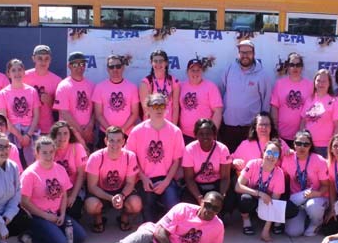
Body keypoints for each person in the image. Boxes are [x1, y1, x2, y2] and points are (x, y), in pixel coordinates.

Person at [42, 193, 225, 243]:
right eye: (207, 205)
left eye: (215, 208)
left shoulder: (218, 227)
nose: (209, 210)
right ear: (201, 202)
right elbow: (161, 232)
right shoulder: (183, 209)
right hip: (152, 237)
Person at [20, 136, 87, 243]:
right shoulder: (30, 174)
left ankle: (52, 232)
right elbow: (24, 202)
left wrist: (62, 214)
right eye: (44, 153)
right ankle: (28, 238)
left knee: (80, 237)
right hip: (38, 216)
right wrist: (46, 216)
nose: (48, 156)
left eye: (51, 152)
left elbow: (64, 194)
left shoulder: (60, 169)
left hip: (56, 215)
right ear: (37, 153)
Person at [126, 93, 185, 222]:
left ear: (166, 108)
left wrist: (167, 181)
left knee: (174, 208)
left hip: (167, 179)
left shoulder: (175, 131)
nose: (159, 109)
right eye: (155, 105)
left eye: (162, 105)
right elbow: (131, 158)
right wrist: (142, 177)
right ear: (148, 108)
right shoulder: (137, 131)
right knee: (149, 216)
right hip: (144, 179)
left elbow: (176, 160)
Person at [84, 126, 143, 233]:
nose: (115, 144)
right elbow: (91, 187)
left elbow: (130, 183)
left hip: (122, 191)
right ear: (105, 140)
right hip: (101, 191)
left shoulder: (130, 156)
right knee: (91, 205)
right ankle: (98, 219)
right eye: (111, 140)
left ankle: (123, 218)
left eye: (118, 140)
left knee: (136, 204)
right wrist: (111, 198)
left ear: (124, 141)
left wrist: (121, 195)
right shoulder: (95, 157)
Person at [219, 40, 273, 154]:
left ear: (254, 53)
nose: (245, 55)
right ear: (238, 54)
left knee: (248, 160)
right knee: (228, 160)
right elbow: (221, 91)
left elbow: (266, 100)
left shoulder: (262, 74)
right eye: (242, 52)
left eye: (248, 52)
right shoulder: (229, 69)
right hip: (229, 125)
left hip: (250, 127)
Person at [235, 139, 288, 242]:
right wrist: (260, 193)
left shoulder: (279, 173)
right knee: (244, 198)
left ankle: (272, 223)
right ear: (263, 152)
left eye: (275, 154)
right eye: (269, 152)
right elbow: (238, 186)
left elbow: (274, 203)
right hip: (253, 198)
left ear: (278, 158)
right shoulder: (253, 164)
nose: (271, 156)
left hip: (267, 203)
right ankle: (246, 220)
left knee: (289, 208)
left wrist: (266, 230)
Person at [281, 130, 330, 237]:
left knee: (312, 206)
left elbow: (326, 186)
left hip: (317, 197)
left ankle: (316, 223)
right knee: (293, 232)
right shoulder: (288, 158)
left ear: (310, 146)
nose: (302, 147)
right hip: (298, 200)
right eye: (298, 143)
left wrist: (315, 194)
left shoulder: (319, 160)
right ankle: (305, 217)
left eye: (306, 144)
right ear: (294, 144)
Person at [0, 59, 40, 167]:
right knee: (12, 165)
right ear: (8, 74)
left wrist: (28, 136)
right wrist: (20, 136)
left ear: (24, 72)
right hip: (11, 133)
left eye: (19, 70)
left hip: (30, 133)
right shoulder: (3, 93)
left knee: (31, 165)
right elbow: (3, 118)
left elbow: (36, 115)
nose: (17, 73)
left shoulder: (32, 91)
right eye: (13, 70)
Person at [182, 118, 232, 208]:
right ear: (196, 135)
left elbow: (225, 177)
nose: (205, 137)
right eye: (201, 134)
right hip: (197, 186)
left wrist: (220, 197)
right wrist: (199, 198)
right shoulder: (189, 150)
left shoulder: (223, 149)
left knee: (228, 201)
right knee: (187, 201)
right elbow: (189, 179)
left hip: (217, 185)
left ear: (214, 135)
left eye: (208, 134)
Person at [92, 54, 140, 142]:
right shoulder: (99, 87)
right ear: (107, 69)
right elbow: (98, 114)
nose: (115, 69)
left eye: (118, 66)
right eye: (111, 67)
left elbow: (135, 113)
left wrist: (122, 131)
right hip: (105, 132)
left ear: (123, 68)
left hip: (127, 133)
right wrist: (110, 131)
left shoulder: (132, 87)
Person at [270, 53, 314, 145]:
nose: (295, 67)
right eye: (292, 65)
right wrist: (275, 128)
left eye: (298, 65)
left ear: (302, 67)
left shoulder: (310, 86)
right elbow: (274, 107)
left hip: (302, 137)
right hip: (281, 134)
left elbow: (312, 111)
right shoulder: (279, 84)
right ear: (287, 67)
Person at [54, 51, 95, 149]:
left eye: (82, 64)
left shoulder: (91, 85)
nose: (79, 67)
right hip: (69, 134)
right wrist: (81, 131)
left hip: (88, 134)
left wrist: (89, 127)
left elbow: (95, 111)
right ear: (69, 66)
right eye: (75, 64)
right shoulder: (63, 86)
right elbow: (64, 113)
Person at [300, 68, 338, 157]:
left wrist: (333, 145)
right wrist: (301, 141)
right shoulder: (309, 99)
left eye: (324, 81)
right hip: (308, 145)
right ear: (314, 82)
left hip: (325, 147)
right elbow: (303, 121)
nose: (321, 83)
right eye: (318, 80)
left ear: (329, 84)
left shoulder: (335, 101)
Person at [49, 121, 88, 221]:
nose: (62, 137)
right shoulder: (49, 150)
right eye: (59, 133)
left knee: (73, 211)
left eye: (65, 133)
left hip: (73, 189)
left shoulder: (77, 148)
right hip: (55, 190)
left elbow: (81, 175)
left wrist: (73, 196)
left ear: (70, 135)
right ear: (54, 135)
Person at [178, 58, 223, 143]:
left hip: (204, 135)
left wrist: (212, 133)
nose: (195, 73)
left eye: (198, 70)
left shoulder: (211, 87)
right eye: (192, 70)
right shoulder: (180, 86)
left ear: (202, 71)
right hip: (184, 135)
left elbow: (218, 111)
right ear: (187, 72)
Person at [24, 44, 62, 135]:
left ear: (50, 60)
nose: (43, 62)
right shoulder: (23, 76)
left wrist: (51, 102)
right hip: (26, 127)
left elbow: (62, 110)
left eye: (46, 58)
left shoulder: (57, 81)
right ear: (33, 59)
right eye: (39, 58)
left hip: (47, 129)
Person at [139, 49, 180, 124]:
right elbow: (146, 110)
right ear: (151, 63)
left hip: (169, 125)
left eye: (161, 61)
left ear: (166, 63)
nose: (158, 64)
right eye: (155, 61)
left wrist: (173, 128)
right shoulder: (146, 83)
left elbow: (175, 107)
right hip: (151, 126)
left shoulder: (173, 81)